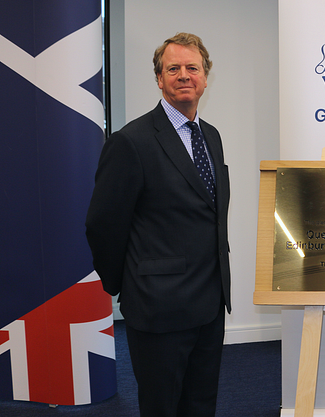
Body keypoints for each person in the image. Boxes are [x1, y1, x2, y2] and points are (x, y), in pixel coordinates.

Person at [85, 32, 231, 417]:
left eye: (192, 68)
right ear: (160, 78)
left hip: (210, 303)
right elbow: (103, 225)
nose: (184, 75)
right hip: (158, 307)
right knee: (162, 408)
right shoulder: (131, 142)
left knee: (201, 405)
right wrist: (127, 284)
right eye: (174, 68)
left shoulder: (211, 137)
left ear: (205, 76)